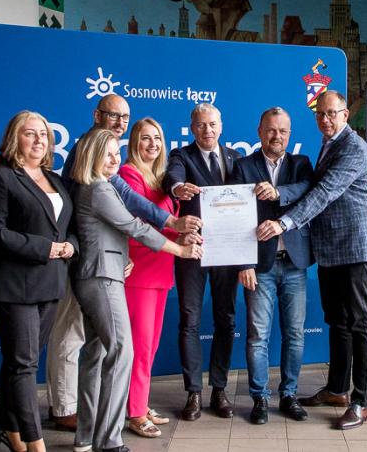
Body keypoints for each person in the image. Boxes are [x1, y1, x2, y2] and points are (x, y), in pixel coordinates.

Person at [48, 94, 200, 430]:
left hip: (116, 263)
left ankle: (110, 414)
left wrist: (175, 227)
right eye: (113, 116)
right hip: (88, 259)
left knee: (107, 346)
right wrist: (175, 236)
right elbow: (132, 219)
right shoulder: (94, 157)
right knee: (79, 337)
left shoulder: (132, 169)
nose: (119, 123)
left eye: (124, 117)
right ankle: (69, 409)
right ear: (96, 115)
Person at [262, 90, 367, 430]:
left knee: (360, 323)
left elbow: (325, 192)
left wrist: (284, 222)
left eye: (332, 113)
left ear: (345, 115)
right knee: (337, 321)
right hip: (330, 249)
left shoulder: (354, 148)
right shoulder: (329, 144)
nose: (325, 119)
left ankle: (361, 402)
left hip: (355, 248)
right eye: (320, 114)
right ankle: (338, 389)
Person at [0, 111, 76, 452]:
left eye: (43, 134)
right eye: (30, 133)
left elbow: (68, 228)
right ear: (14, 138)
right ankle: (35, 443)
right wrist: (44, 248)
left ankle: (9, 430)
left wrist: (70, 246)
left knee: (19, 362)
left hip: (50, 283)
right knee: (24, 365)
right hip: (12, 285)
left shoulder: (54, 179)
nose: (38, 140)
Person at [231, 107, 314, 425]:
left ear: (289, 134)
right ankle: (260, 398)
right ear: (259, 132)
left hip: (294, 263)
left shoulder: (301, 164)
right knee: (257, 336)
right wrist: (243, 262)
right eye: (270, 130)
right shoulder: (243, 166)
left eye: (282, 131)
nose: (276, 136)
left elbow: (306, 190)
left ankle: (289, 394)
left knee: (294, 334)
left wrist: (278, 192)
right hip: (259, 266)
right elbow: (234, 217)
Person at [166, 102, 243, 421]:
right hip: (192, 249)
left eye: (212, 124)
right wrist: (178, 188)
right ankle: (194, 392)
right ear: (192, 128)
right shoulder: (181, 156)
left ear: (221, 126)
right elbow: (172, 178)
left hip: (227, 251)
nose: (207, 130)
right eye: (200, 125)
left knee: (226, 320)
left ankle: (219, 390)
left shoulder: (235, 158)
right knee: (190, 320)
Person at [117, 118, 181, 437]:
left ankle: (138, 403)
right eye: (145, 138)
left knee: (150, 345)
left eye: (157, 138)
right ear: (134, 142)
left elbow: (171, 224)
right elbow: (143, 220)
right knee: (140, 346)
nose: (153, 144)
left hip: (162, 269)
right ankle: (134, 413)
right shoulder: (128, 173)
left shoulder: (161, 178)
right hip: (139, 270)